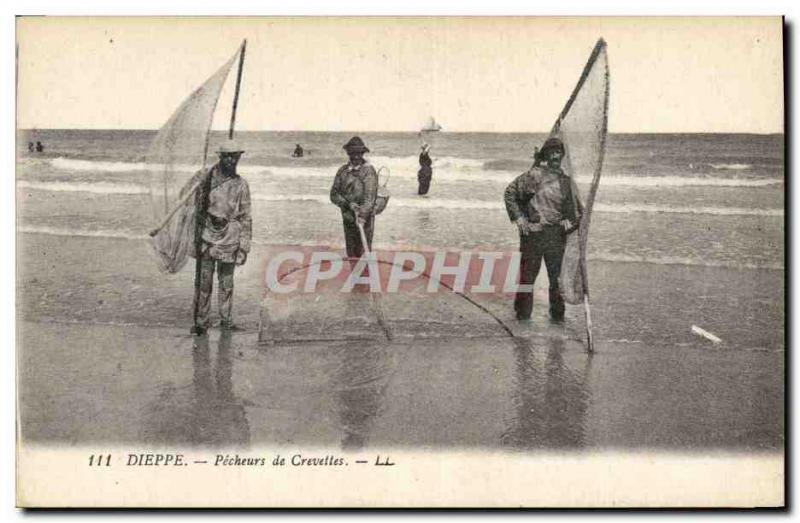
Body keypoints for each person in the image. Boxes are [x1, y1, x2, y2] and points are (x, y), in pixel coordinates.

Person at [503, 137, 582, 322]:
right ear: (546, 155)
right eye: (552, 152)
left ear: (562, 156)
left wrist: (570, 222)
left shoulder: (566, 183)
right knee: (527, 279)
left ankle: (557, 320)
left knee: (556, 281)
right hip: (533, 235)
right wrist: (520, 219)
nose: (555, 155)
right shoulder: (534, 175)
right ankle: (522, 320)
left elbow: (577, 213)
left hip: (555, 237)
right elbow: (510, 194)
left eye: (559, 152)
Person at [189, 139, 252, 335]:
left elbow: (246, 217)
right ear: (221, 157)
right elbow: (192, 203)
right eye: (228, 157)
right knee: (204, 282)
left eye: (236, 157)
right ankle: (201, 322)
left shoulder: (241, 184)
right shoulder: (206, 179)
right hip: (208, 236)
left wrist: (244, 247)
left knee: (226, 283)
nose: (232, 161)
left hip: (231, 239)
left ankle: (226, 321)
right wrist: (199, 184)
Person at [330, 136, 378, 259]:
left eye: (359, 153)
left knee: (364, 255)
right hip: (348, 219)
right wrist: (348, 204)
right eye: (353, 153)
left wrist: (362, 216)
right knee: (351, 254)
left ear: (362, 154)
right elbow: (334, 194)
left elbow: (369, 197)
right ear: (348, 153)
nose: (356, 156)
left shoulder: (369, 171)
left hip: (364, 221)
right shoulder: (342, 171)